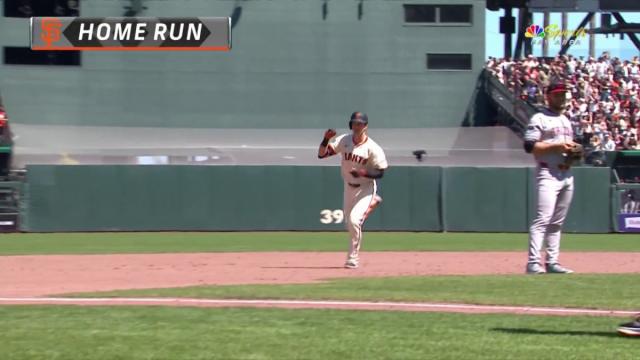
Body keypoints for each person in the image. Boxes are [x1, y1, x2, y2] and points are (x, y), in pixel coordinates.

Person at [317, 112, 388, 269]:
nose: (357, 126)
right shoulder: (344, 140)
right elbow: (321, 155)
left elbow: (380, 172)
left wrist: (363, 173)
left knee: (355, 221)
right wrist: (326, 139)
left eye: (360, 123)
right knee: (349, 224)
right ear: (351, 125)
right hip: (348, 187)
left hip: (366, 188)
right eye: (355, 123)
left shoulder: (372, 148)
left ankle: (353, 258)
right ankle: (373, 203)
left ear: (365, 126)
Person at [523, 83, 577, 274]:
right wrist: (558, 147)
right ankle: (533, 263)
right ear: (548, 97)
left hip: (566, 173)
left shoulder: (566, 120)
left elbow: (568, 149)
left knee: (557, 222)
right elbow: (530, 147)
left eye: (563, 94)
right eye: (557, 95)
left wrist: (573, 155)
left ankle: (552, 262)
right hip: (547, 173)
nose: (561, 98)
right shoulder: (540, 118)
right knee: (542, 220)